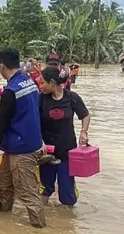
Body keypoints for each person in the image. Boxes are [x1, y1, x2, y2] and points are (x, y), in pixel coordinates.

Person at [0, 48, 46, 228]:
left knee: (27, 193)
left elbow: (1, 124)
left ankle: (40, 231)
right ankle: (4, 222)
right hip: (23, 143)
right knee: (3, 183)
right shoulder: (29, 81)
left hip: (22, 150)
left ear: (2, 66)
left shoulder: (10, 92)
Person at [39, 66, 91, 206]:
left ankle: (67, 224)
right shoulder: (40, 100)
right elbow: (32, 123)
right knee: (44, 190)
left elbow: (85, 115)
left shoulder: (71, 98)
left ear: (52, 83)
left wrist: (84, 131)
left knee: (67, 196)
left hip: (67, 153)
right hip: (46, 154)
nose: (40, 85)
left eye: (43, 82)